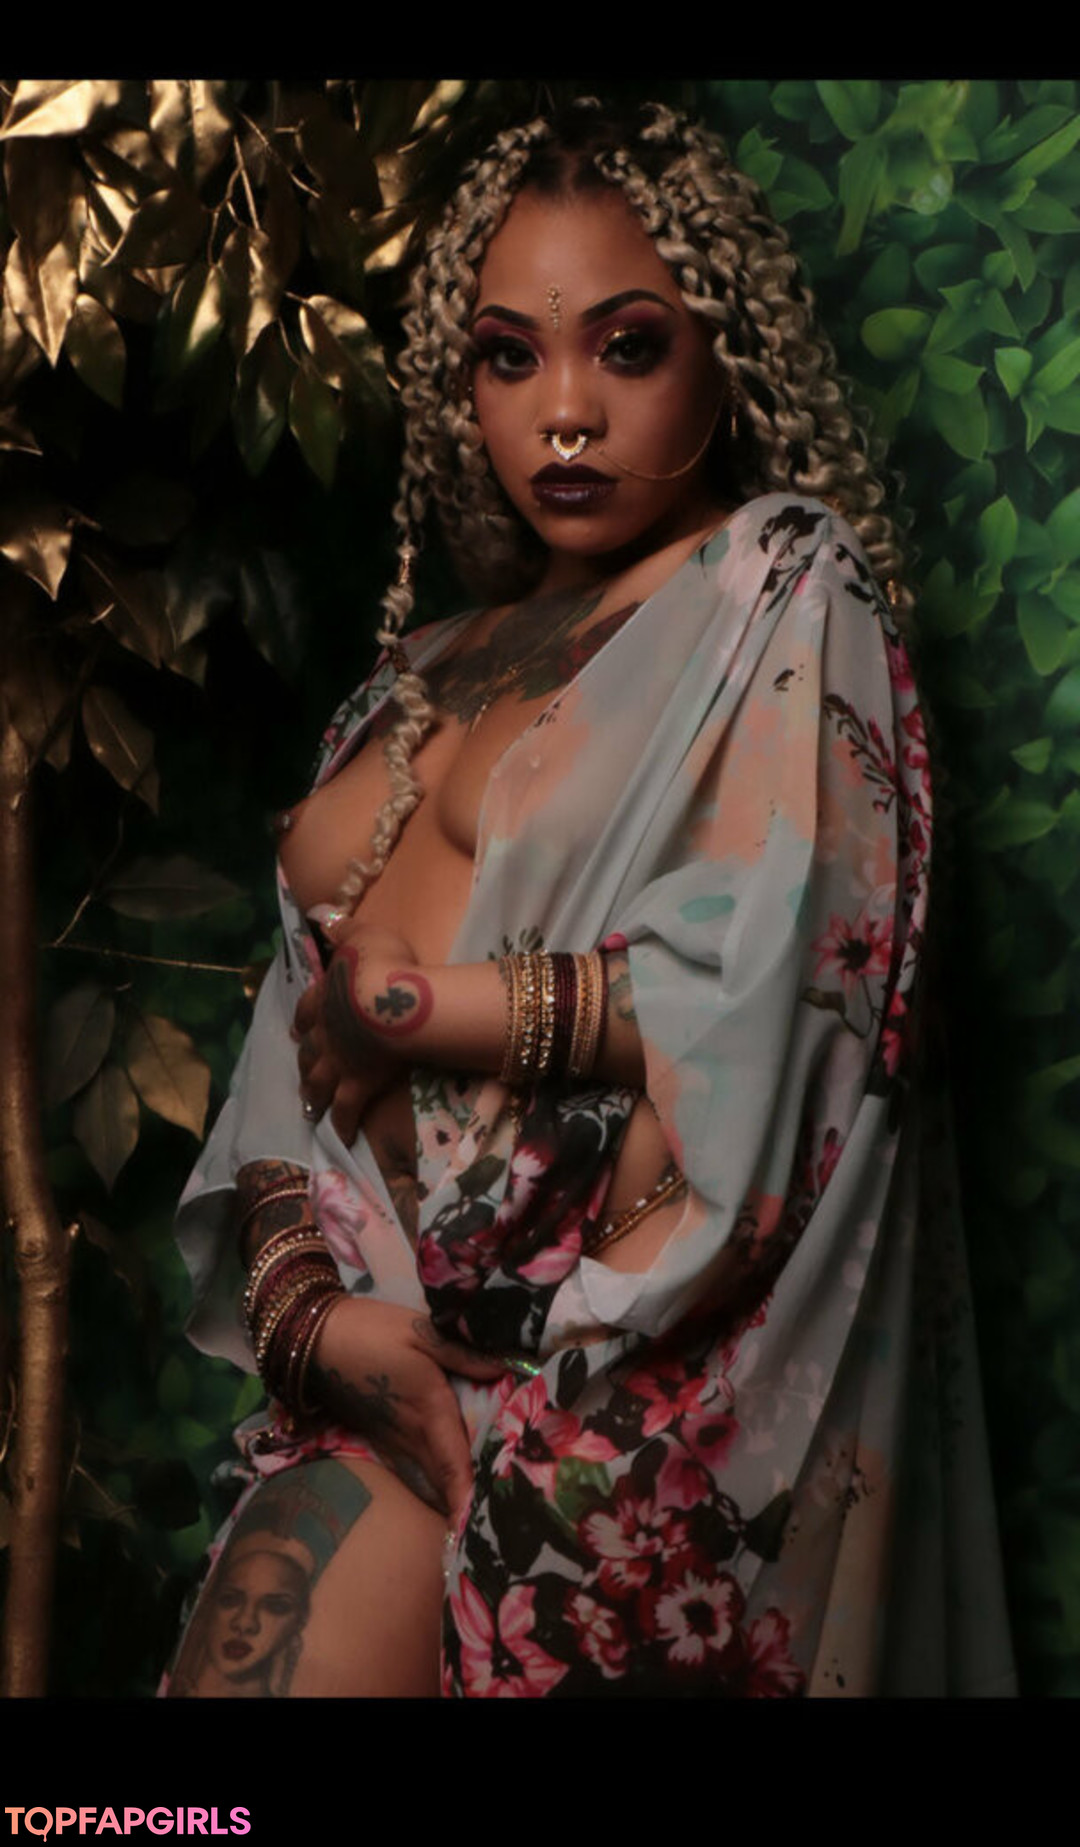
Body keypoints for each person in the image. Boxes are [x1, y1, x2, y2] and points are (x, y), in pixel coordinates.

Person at [164, 99, 1015, 1697]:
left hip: (599, 1402)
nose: (564, 412)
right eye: (510, 357)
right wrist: (309, 1320)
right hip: (374, 1380)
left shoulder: (773, 589)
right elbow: (289, 1050)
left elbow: (787, 983)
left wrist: (416, 1006)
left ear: (723, 357)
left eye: (626, 348)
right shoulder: (415, 677)